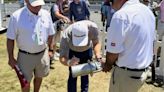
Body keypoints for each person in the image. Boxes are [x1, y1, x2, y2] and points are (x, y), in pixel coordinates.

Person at [102, 0, 156, 92]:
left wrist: (107, 65)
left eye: (111, 2)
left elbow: (113, 53)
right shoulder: (147, 11)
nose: (111, 6)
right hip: (141, 72)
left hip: (126, 74)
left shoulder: (121, 15)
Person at [6, 0, 55, 92]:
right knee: (25, 82)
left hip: (42, 54)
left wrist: (51, 50)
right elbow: (10, 39)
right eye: (35, 5)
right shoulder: (16, 16)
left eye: (40, 4)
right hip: (25, 56)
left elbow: (51, 33)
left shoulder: (46, 14)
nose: (38, 7)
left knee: (39, 76)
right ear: (26, 1)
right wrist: (11, 57)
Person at [59, 20, 103, 92]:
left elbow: (96, 42)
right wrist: (69, 62)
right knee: (73, 74)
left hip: (87, 51)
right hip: (73, 53)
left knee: (85, 74)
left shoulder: (93, 28)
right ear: (72, 34)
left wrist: (97, 54)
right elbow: (62, 57)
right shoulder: (66, 35)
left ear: (87, 32)